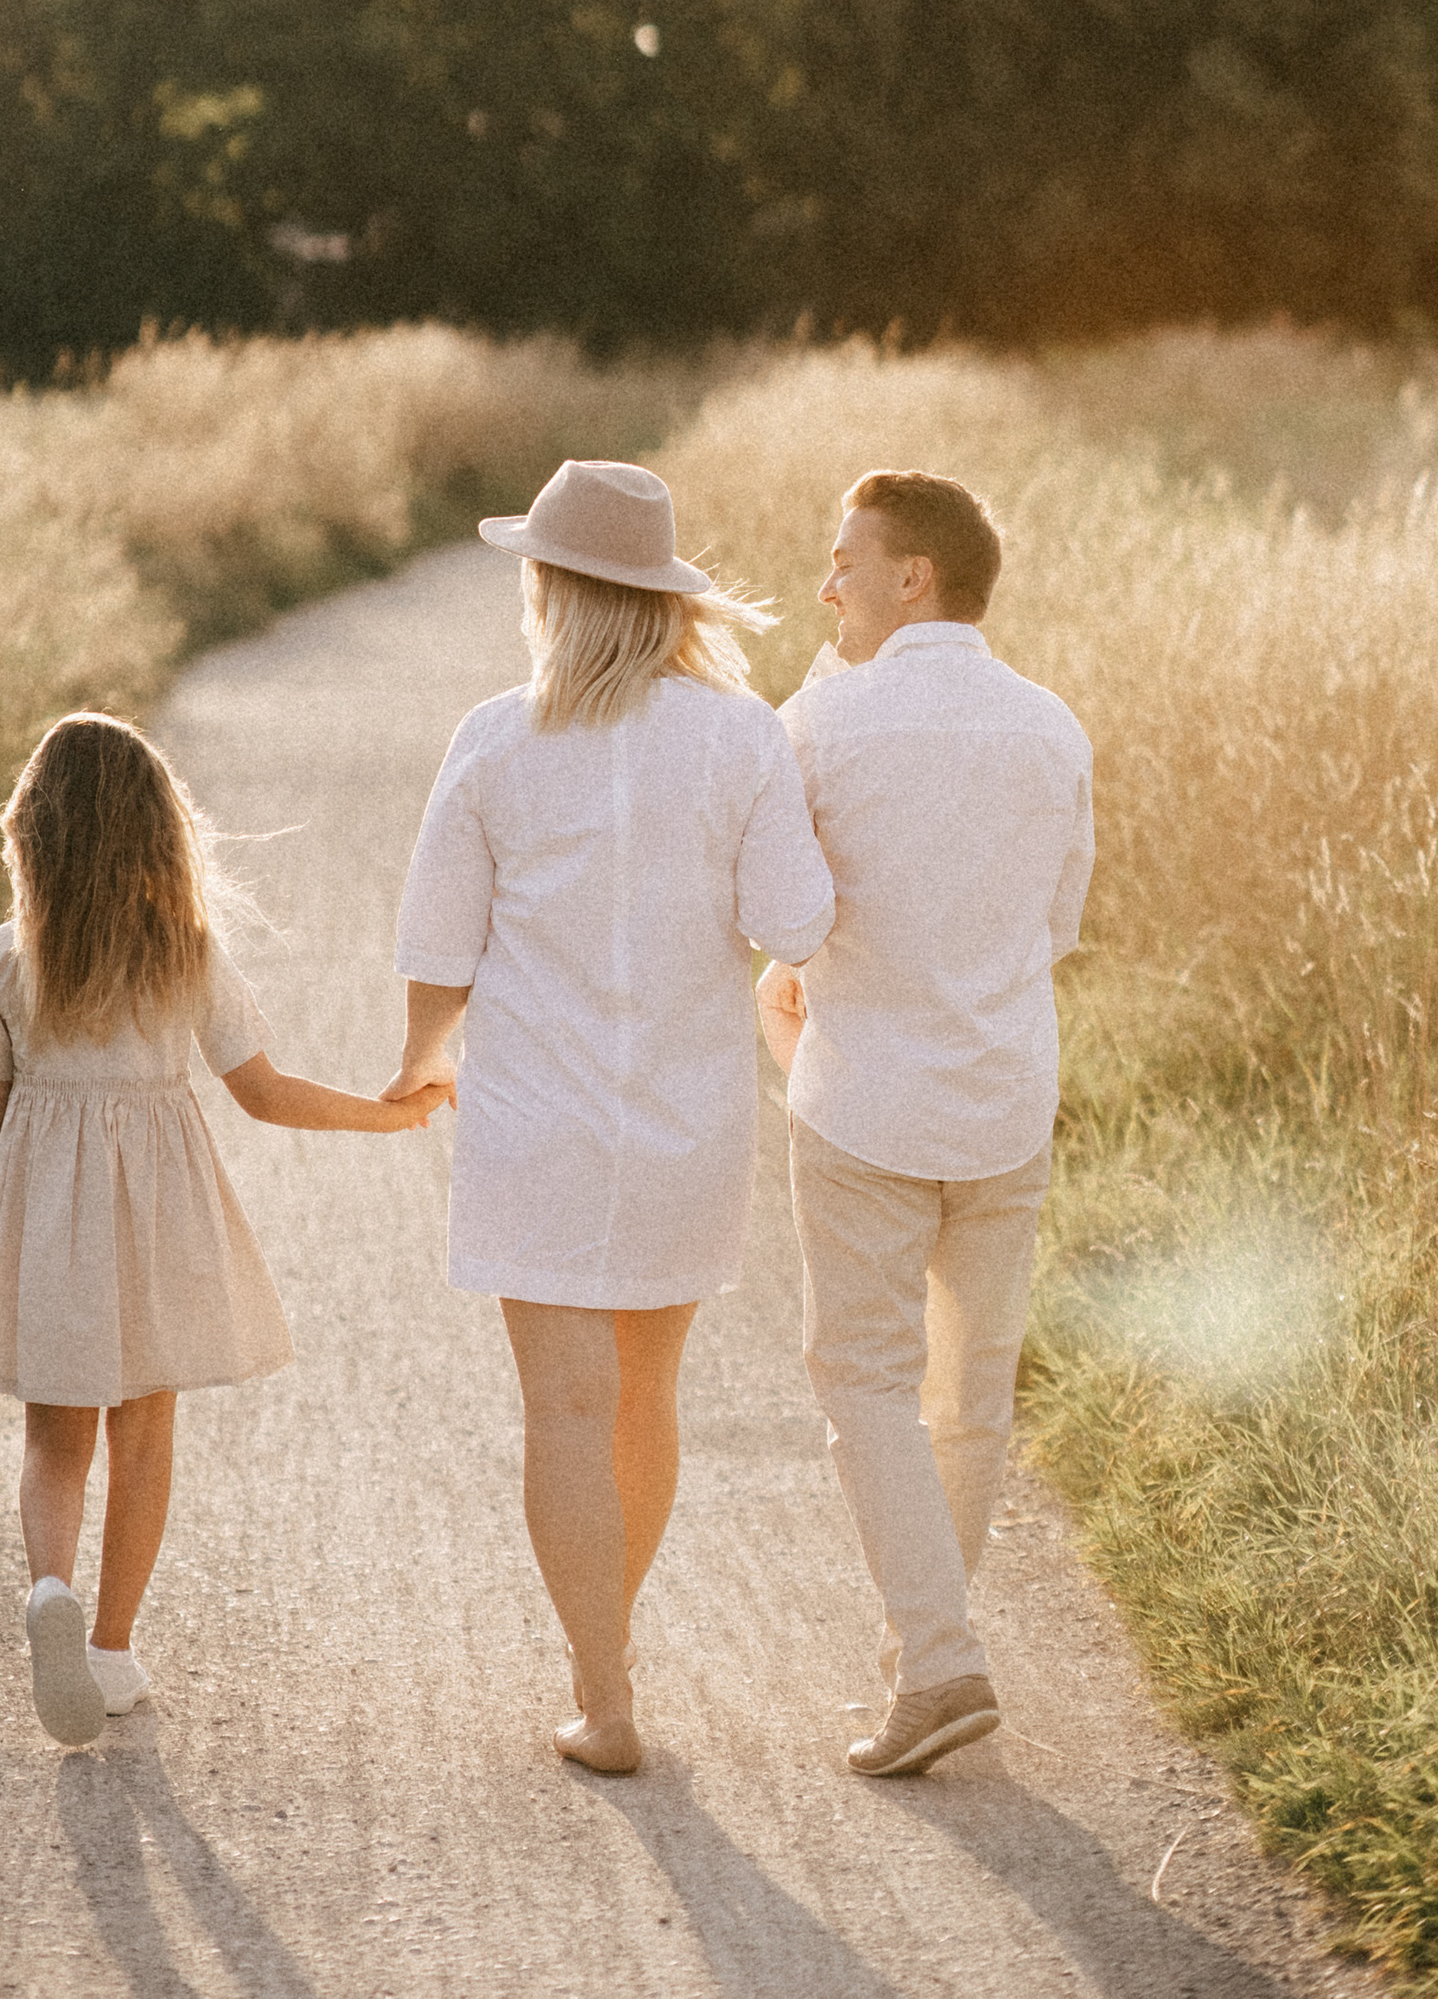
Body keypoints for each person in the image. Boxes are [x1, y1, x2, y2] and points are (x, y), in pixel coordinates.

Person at [384, 459, 836, 1776]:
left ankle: (604, 1683)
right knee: (644, 1397)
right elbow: (796, 921)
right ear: (663, 602)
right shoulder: (743, 736)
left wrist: (420, 1063)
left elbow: (437, 945)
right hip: (686, 1128)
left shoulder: (494, 739)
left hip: (538, 1128)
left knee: (565, 1411)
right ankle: (611, 1649)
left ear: (548, 590)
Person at [0, 710, 450, 1750]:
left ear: (30, 833)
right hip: (160, 1228)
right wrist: (386, 1110)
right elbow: (263, 1094)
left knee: (52, 1439)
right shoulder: (185, 955)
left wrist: (0, 1245)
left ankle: (49, 1589)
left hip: (46, 1233)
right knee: (145, 1432)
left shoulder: (4, 958)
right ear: (158, 835)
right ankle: (112, 1650)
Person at [755, 469, 1093, 1780]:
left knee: (863, 1383)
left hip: (869, 1105)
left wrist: (795, 983)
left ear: (918, 577)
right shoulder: (1052, 728)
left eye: (848, 560)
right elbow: (1055, 929)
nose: (828, 584)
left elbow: (786, 920)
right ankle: (928, 1652)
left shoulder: (821, 723)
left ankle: (939, 1662)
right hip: (1008, 1100)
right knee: (972, 1396)